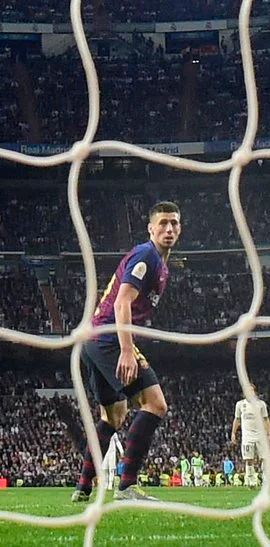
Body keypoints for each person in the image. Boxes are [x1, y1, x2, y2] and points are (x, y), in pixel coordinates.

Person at [72, 201, 180, 503]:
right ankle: (127, 486)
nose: (169, 229)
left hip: (94, 340)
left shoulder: (160, 264)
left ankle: (83, 487)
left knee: (113, 416)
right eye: (163, 223)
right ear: (151, 228)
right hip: (108, 338)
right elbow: (122, 303)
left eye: (174, 223)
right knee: (156, 404)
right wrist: (127, 350)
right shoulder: (146, 255)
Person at [232, 385, 270, 488]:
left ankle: (266, 481)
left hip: (261, 436)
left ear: (255, 391)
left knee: (264, 458)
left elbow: (266, 419)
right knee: (249, 459)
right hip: (247, 436)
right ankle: (251, 480)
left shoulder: (261, 404)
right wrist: (233, 433)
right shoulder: (240, 405)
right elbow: (237, 419)